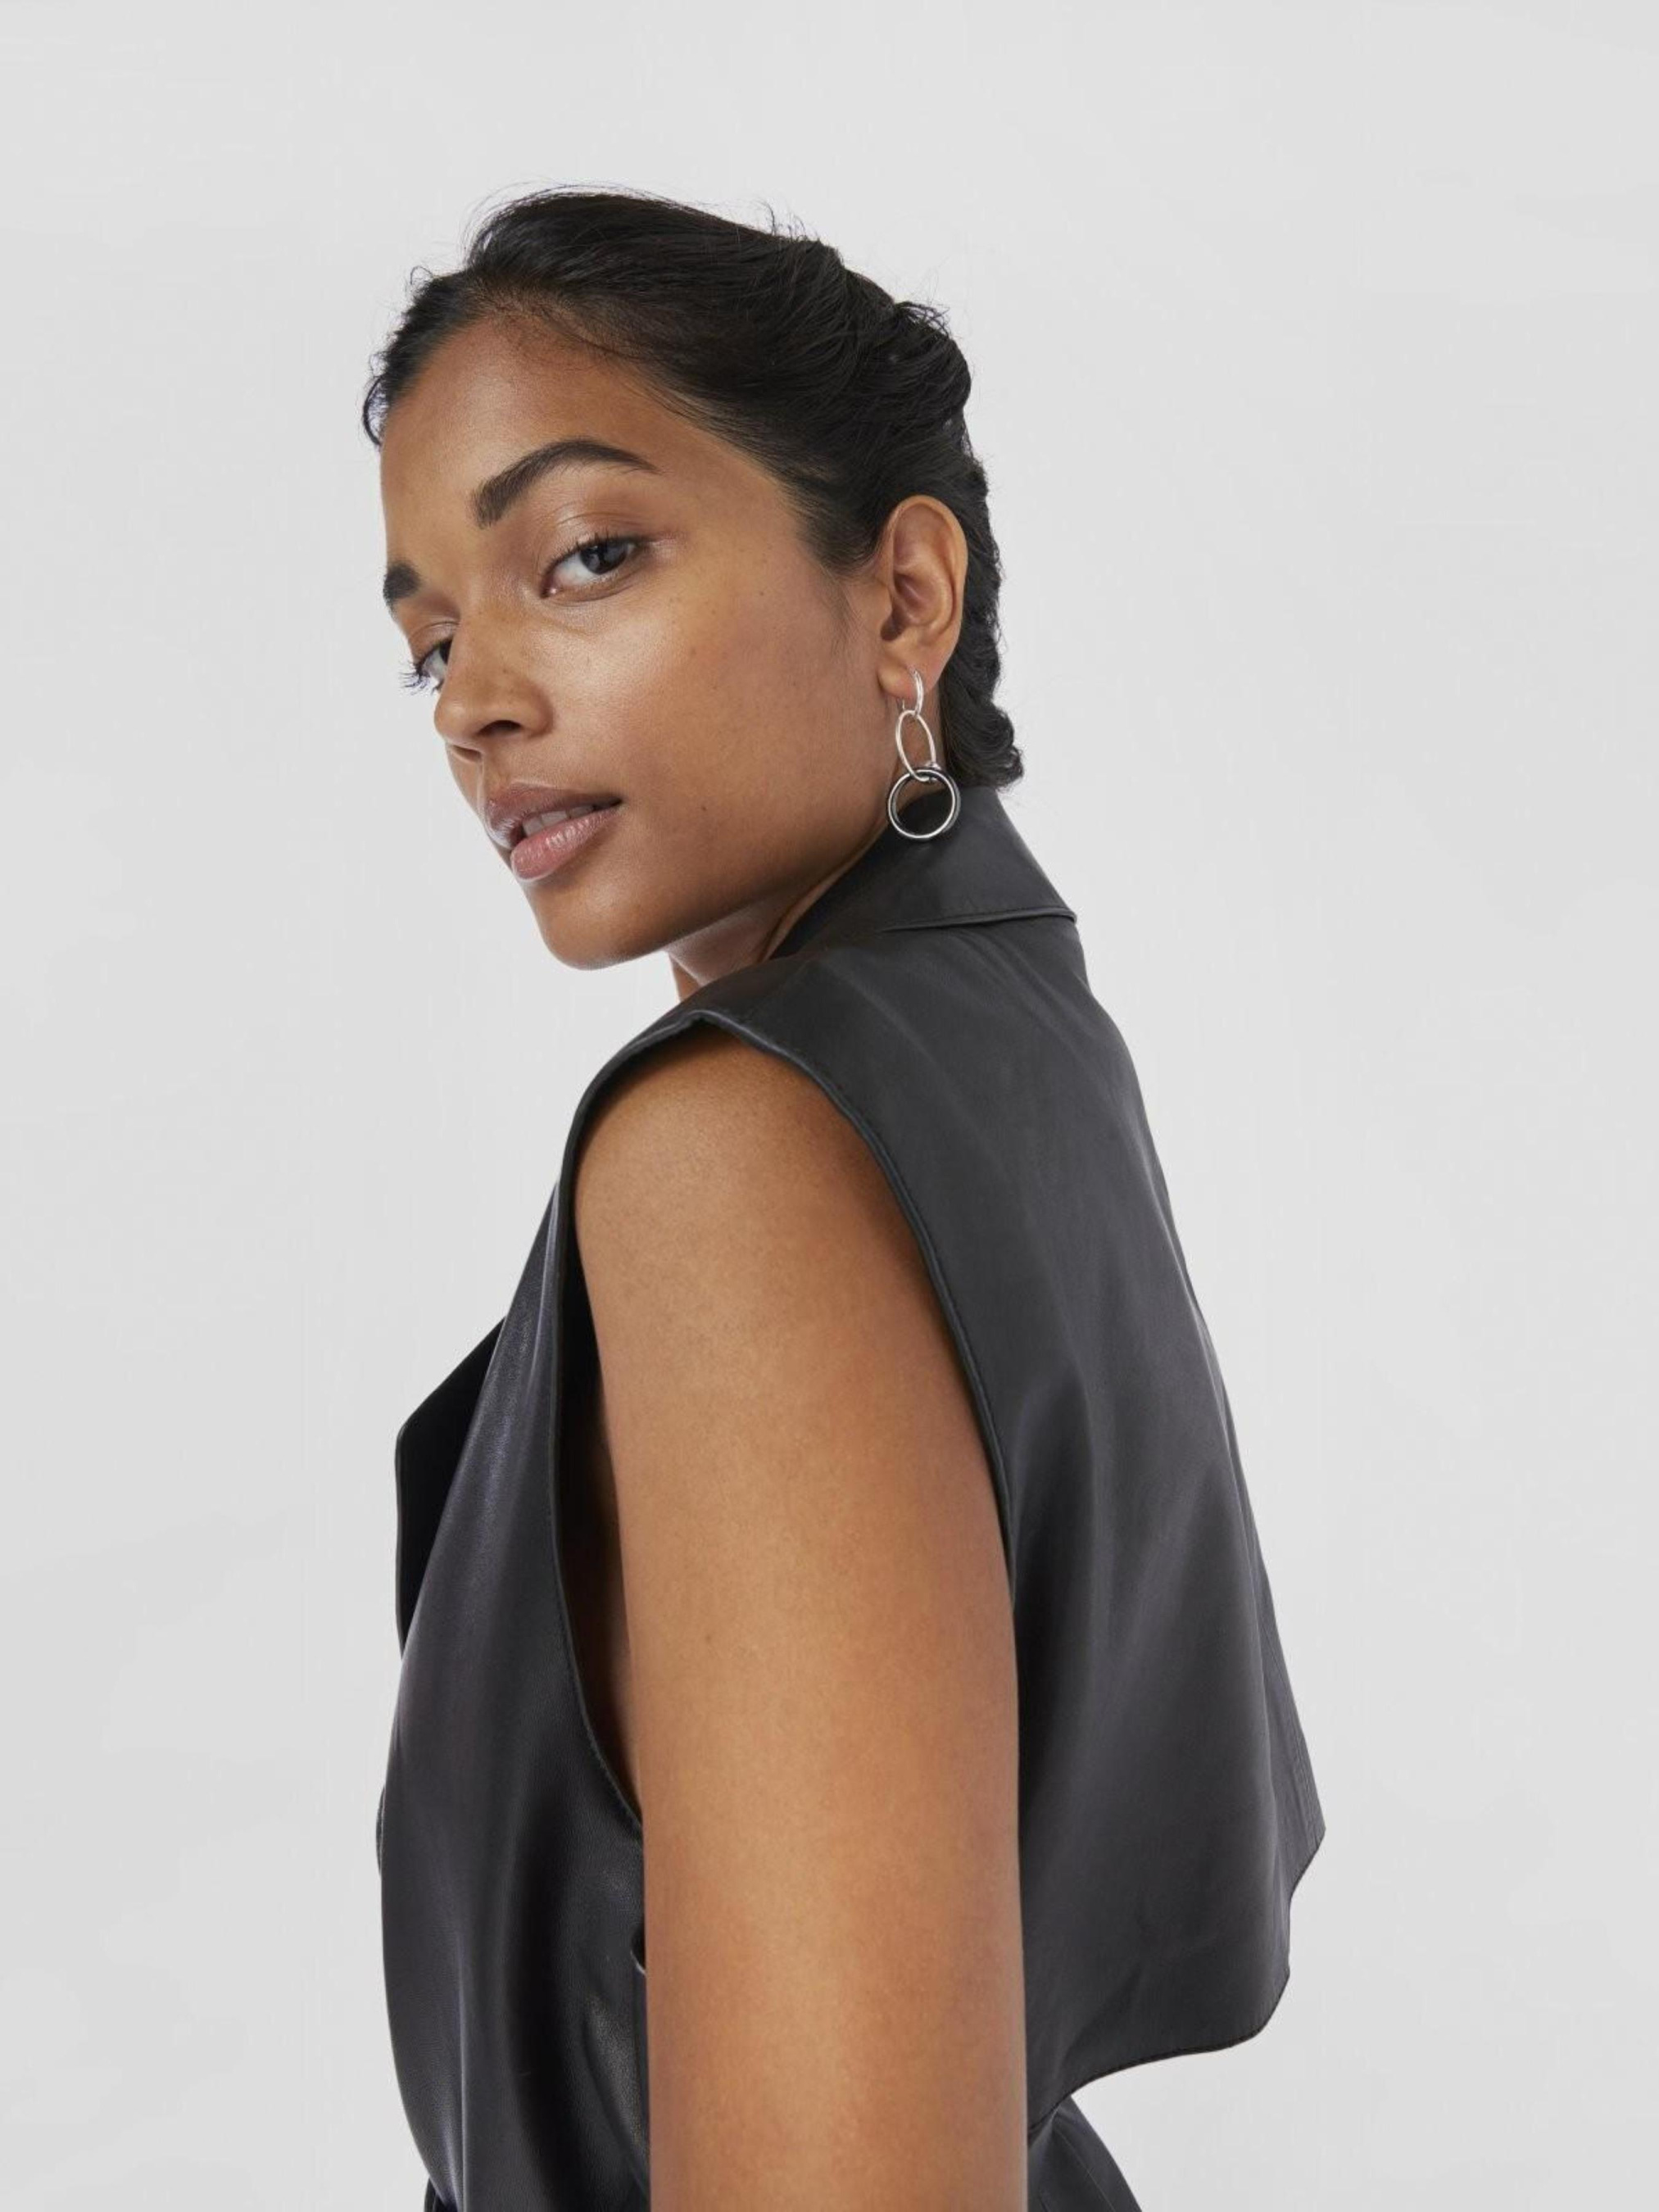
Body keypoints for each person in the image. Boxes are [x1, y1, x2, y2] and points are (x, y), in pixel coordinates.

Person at [366, 187, 1325, 2212]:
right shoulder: (1011, 1024)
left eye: (585, 557)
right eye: (431, 638)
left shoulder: (736, 1151)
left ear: (901, 597)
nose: (470, 701)